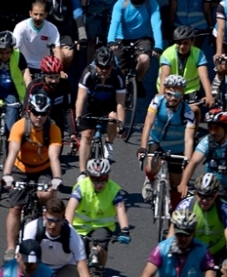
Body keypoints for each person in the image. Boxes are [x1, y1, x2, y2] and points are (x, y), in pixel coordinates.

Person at [2, 92, 64, 257]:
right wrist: (7, 175)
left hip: (43, 169)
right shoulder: (19, 126)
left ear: (48, 113)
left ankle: (47, 238)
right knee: (15, 208)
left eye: (43, 113)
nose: (39, 117)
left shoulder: (53, 129)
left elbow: (54, 157)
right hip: (20, 169)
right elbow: (12, 153)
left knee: (48, 197)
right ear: (29, 111)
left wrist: (57, 179)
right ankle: (10, 247)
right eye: (36, 112)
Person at [139, 72, 196, 204]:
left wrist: (187, 160)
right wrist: (143, 147)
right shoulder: (157, 102)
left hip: (177, 147)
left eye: (177, 95)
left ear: (182, 95)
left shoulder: (187, 112)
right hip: (157, 141)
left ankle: (175, 212)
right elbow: (148, 125)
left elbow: (189, 140)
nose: (172, 98)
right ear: (164, 92)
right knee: (152, 166)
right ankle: (150, 180)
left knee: (176, 182)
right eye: (169, 94)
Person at [65, 159, 131, 272]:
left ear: (107, 177)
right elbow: (70, 208)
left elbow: (120, 210)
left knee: (99, 249)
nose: (99, 184)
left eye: (102, 180)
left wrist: (125, 229)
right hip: (79, 228)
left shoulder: (114, 189)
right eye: (95, 180)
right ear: (89, 177)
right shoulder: (81, 187)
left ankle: (99, 271)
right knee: (76, 256)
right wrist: (67, 228)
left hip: (102, 227)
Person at [108, 0, 162, 95]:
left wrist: (158, 46)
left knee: (144, 59)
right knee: (119, 69)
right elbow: (114, 23)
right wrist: (111, 41)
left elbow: (156, 25)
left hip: (142, 38)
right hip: (121, 38)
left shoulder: (152, 4)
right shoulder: (120, 4)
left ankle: (138, 80)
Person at [75, 46, 126, 175]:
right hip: (91, 102)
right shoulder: (88, 73)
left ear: (112, 65)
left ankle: (109, 143)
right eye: (100, 66)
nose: (104, 70)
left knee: (113, 118)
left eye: (107, 67)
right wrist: (78, 118)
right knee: (86, 135)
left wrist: (121, 125)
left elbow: (120, 103)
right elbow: (81, 98)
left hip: (109, 102)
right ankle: (82, 172)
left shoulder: (117, 76)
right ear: (95, 64)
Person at [22, 196, 90, 277]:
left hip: (65, 267)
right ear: (44, 216)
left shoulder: (72, 236)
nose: (53, 225)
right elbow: (23, 258)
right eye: (50, 220)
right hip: (39, 265)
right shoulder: (32, 228)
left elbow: (82, 269)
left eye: (57, 221)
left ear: (63, 219)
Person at [138, 207, 216, 277]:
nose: (183, 238)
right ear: (174, 231)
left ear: (193, 232)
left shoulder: (202, 251)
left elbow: (210, 274)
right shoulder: (162, 249)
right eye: (179, 234)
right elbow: (147, 274)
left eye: (187, 235)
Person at [175, 173, 227, 264]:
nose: (204, 200)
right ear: (195, 193)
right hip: (192, 252)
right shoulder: (185, 206)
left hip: (218, 255)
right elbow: (173, 233)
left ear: (215, 196)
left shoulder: (223, 208)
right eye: (201, 195)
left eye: (209, 197)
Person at [180, 109, 227, 197]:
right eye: (210, 127)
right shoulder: (207, 142)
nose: (212, 132)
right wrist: (183, 183)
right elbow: (193, 163)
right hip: (211, 187)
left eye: (216, 128)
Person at [13, 2, 62, 82]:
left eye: (41, 14)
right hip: (24, 66)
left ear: (46, 14)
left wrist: (59, 70)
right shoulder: (21, 27)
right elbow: (15, 49)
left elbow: (56, 49)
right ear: (30, 13)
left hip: (44, 67)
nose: (38, 17)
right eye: (35, 14)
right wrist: (18, 67)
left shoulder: (52, 28)